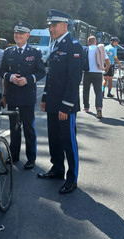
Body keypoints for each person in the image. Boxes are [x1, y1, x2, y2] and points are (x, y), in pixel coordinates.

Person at [37, 9, 83, 195]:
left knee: (68, 141)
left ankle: (72, 179)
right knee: (54, 139)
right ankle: (57, 169)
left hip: (65, 105)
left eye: (54, 25)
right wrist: (45, 97)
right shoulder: (55, 44)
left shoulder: (73, 45)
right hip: (53, 102)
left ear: (64, 25)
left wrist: (66, 106)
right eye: (49, 25)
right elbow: (51, 76)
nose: (51, 28)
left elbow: (74, 79)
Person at [0, 20, 45, 170]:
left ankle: (31, 158)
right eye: (16, 33)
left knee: (28, 128)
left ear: (27, 35)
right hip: (12, 95)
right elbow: (1, 71)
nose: (17, 35)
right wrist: (10, 77)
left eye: (21, 33)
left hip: (27, 96)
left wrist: (28, 79)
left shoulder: (34, 52)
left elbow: (41, 72)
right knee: (14, 128)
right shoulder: (8, 52)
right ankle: (14, 155)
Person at [82, 36, 110, 119]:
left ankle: (86, 107)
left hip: (87, 73)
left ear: (88, 42)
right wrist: (106, 69)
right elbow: (108, 62)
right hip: (98, 73)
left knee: (86, 90)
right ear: (96, 41)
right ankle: (99, 108)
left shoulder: (86, 50)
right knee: (98, 92)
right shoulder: (100, 49)